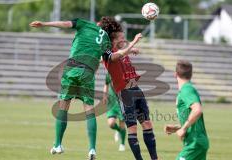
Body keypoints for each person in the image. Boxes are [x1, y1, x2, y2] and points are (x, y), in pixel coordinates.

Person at [29, 17, 141, 160]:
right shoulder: (106, 40)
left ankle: (57, 144)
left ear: (99, 24)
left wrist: (44, 23)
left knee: (63, 106)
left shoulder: (84, 24)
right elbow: (113, 57)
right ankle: (92, 149)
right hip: (88, 73)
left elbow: (65, 24)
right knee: (89, 110)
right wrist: (131, 47)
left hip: (72, 69)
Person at [100, 19, 158, 160]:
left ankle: (155, 158)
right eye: (121, 37)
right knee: (132, 128)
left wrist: (130, 49)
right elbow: (116, 55)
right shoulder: (107, 52)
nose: (124, 39)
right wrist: (133, 43)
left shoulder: (121, 51)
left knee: (147, 123)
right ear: (114, 39)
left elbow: (122, 53)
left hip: (135, 88)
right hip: (125, 93)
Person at [164, 60, 209, 160]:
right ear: (191, 74)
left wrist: (183, 128)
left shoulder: (186, 90)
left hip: (194, 143)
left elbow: (197, 110)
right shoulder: (188, 89)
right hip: (197, 142)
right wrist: (177, 128)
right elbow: (194, 118)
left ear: (175, 74)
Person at [103, 73, 126, 151]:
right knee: (111, 124)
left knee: (122, 124)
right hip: (112, 102)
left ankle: (122, 144)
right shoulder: (109, 73)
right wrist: (105, 96)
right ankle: (119, 131)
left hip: (122, 102)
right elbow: (106, 84)